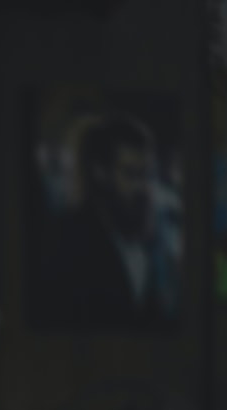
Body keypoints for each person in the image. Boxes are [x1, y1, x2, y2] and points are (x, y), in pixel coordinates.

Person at [34, 110, 182, 331]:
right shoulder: (68, 238)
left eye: (147, 174)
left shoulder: (147, 239)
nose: (142, 187)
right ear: (100, 172)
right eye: (131, 174)